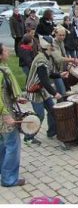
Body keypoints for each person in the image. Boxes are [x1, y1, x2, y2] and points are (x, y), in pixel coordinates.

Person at [25, 36, 66, 145]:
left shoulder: (46, 57)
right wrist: (55, 93)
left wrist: (60, 75)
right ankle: (28, 137)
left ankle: (52, 132)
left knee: (52, 110)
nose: (53, 46)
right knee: (40, 115)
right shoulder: (41, 60)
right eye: (52, 45)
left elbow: (49, 74)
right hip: (34, 91)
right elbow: (44, 80)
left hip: (41, 90)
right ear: (47, 46)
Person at [0, 44, 27, 187]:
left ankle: (3, 171)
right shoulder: (1, 72)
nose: (9, 52)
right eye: (5, 50)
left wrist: (17, 98)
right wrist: (5, 115)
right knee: (12, 144)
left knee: (3, 144)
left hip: (4, 112)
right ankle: (9, 179)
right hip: (4, 116)